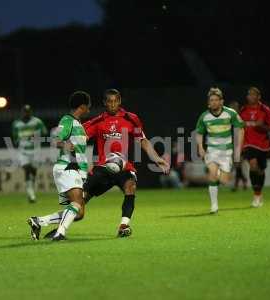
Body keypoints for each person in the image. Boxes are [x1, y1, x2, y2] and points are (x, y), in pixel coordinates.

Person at [82, 89, 169, 237]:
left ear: (120, 101)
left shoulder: (131, 118)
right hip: (103, 167)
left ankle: (123, 226)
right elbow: (80, 136)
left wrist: (157, 158)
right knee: (82, 200)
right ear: (104, 103)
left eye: (116, 101)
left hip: (123, 166)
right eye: (110, 101)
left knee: (130, 187)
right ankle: (60, 225)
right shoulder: (98, 121)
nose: (113, 104)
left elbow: (142, 140)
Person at [27, 91, 91, 241]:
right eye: (88, 106)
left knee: (79, 212)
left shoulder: (78, 124)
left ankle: (39, 221)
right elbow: (55, 140)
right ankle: (60, 233)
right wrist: (65, 144)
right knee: (76, 204)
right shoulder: (67, 120)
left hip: (76, 170)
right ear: (82, 106)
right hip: (68, 167)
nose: (89, 109)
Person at [195, 88, 245, 213]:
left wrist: (238, 147)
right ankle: (214, 206)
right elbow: (199, 133)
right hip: (211, 150)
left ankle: (217, 176)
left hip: (227, 152)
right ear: (208, 102)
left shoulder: (231, 113)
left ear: (221, 101)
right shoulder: (204, 116)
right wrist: (200, 147)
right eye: (211, 100)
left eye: (216, 100)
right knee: (212, 175)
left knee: (224, 181)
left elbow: (240, 128)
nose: (214, 102)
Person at [240, 87, 270, 207]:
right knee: (253, 165)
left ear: (258, 97)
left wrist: (262, 127)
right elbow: (239, 127)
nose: (250, 96)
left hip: (263, 145)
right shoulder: (243, 110)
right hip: (248, 144)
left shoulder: (266, 110)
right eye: (248, 94)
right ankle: (256, 196)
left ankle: (259, 193)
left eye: (253, 94)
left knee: (260, 170)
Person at [12, 104, 48, 203]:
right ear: (22, 112)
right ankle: (31, 194)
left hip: (35, 150)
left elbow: (45, 132)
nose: (26, 113)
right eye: (25, 111)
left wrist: (35, 134)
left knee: (33, 172)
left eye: (28, 111)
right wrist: (20, 140)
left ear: (30, 112)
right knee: (27, 169)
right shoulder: (16, 123)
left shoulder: (37, 121)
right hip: (23, 151)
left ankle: (32, 192)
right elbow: (15, 139)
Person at [229, 100, 248, 191]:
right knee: (237, 166)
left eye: (234, 107)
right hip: (234, 145)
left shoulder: (241, 118)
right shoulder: (230, 119)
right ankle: (243, 182)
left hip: (241, 145)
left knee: (238, 165)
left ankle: (237, 185)